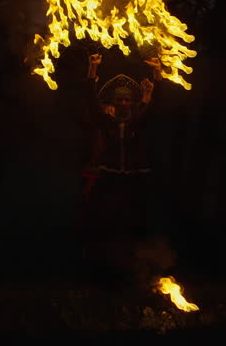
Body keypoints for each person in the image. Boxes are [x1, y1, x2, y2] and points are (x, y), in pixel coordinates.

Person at [76, 52, 167, 289]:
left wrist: (158, 73)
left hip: (135, 180)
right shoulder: (105, 123)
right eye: (119, 100)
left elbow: (154, 105)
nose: (123, 103)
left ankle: (141, 276)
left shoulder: (139, 122)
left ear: (132, 103)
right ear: (113, 103)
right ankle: (96, 273)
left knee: (138, 226)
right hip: (109, 180)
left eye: (127, 100)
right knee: (98, 222)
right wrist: (92, 68)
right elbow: (89, 99)